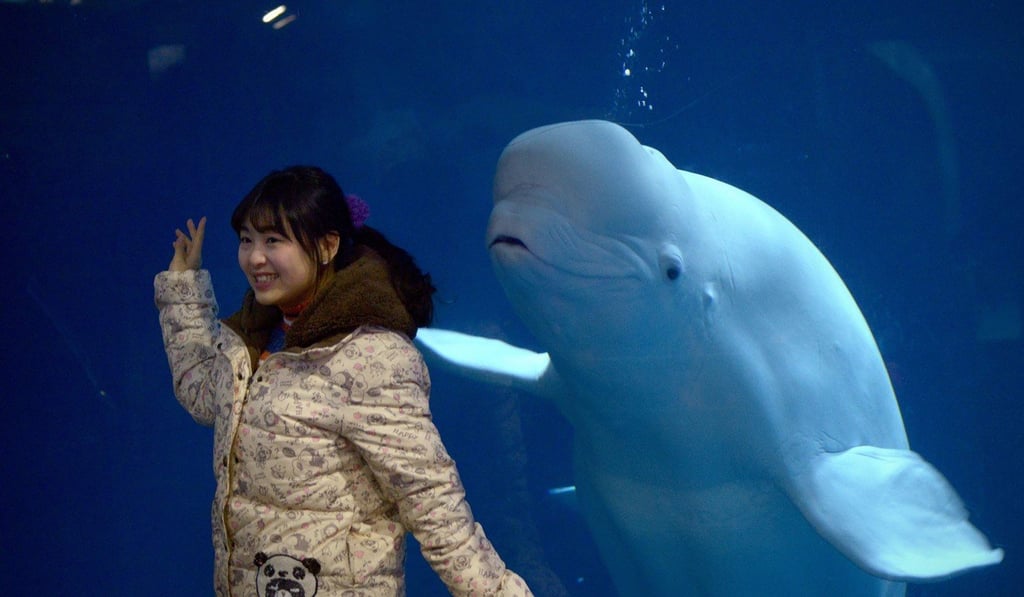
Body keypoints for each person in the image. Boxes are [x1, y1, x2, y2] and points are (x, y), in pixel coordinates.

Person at [155, 166, 533, 596]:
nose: (255, 257)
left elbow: (429, 498)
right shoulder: (257, 339)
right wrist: (183, 291)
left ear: (327, 245)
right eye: (246, 239)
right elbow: (204, 395)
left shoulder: (369, 357)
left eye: (273, 240)